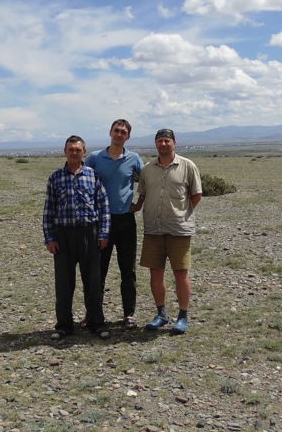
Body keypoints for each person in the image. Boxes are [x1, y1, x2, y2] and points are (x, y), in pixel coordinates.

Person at [42, 135, 111, 340]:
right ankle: (64, 325)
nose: (74, 153)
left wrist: (104, 233)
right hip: (63, 236)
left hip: (89, 233)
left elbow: (103, 206)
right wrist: (50, 238)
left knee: (93, 281)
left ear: (84, 152)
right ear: (65, 151)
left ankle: (96, 322)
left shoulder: (93, 175)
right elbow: (48, 210)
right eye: (71, 149)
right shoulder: (55, 178)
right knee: (64, 283)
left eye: (78, 150)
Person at [134, 128, 202, 335]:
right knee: (155, 272)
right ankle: (161, 314)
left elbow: (196, 195)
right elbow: (143, 194)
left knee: (180, 273)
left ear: (174, 143)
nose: (163, 144)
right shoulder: (147, 169)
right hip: (153, 229)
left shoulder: (188, 166)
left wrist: (181, 214)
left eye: (167, 141)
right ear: (155, 144)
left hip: (178, 229)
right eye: (160, 141)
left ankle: (183, 316)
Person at [85, 119, 145, 330]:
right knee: (98, 270)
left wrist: (139, 202)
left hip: (125, 221)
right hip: (101, 221)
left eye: (123, 132)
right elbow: (84, 181)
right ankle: (93, 314)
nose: (119, 134)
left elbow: (146, 180)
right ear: (110, 133)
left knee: (127, 269)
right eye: (116, 131)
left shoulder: (134, 158)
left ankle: (129, 314)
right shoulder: (95, 158)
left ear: (128, 137)